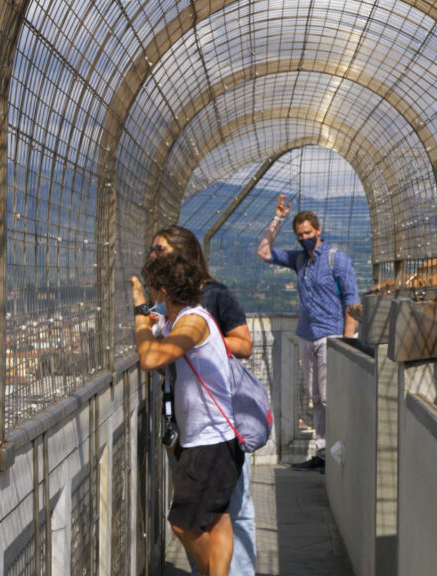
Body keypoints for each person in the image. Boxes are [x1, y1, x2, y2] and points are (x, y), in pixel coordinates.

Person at [145, 226, 256, 575]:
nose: (152, 255)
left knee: (198, 519)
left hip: (214, 428)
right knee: (213, 515)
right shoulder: (176, 310)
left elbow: (244, 345)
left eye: (159, 250)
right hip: (190, 426)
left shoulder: (209, 302)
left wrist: (199, 340)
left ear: (181, 256)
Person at [257, 194, 362, 472]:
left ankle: (338, 452)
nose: (304, 237)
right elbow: (265, 252)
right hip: (306, 335)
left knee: (329, 397)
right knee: (316, 397)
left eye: (308, 233)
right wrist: (278, 218)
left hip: (331, 337)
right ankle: (323, 453)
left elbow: (352, 301)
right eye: (300, 234)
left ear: (319, 231)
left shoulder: (336, 259)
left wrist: (346, 342)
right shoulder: (299, 260)